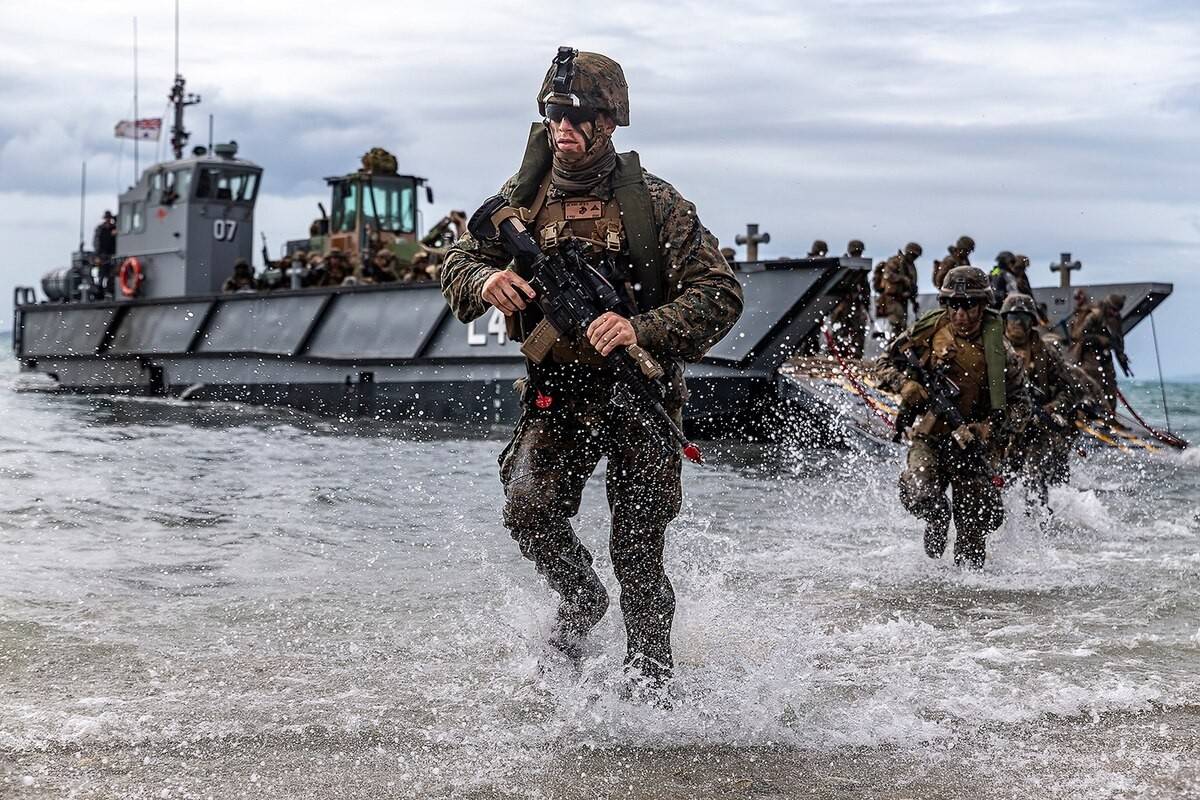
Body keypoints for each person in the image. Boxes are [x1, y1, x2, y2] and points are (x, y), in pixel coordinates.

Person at [440, 47, 744, 693]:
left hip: (640, 395)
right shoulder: (521, 203)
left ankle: (651, 690)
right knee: (527, 509)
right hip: (560, 393)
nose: (564, 129)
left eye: (579, 117)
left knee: (637, 558)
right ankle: (580, 601)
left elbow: (721, 293)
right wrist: (487, 278)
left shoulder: (657, 205)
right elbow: (456, 266)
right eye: (554, 116)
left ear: (610, 124)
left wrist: (642, 327)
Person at [888, 266, 1030, 569]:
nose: (960, 314)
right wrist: (905, 385)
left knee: (975, 530)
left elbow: (1022, 404)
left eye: (968, 305)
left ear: (982, 305)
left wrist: (989, 428)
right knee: (920, 492)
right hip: (931, 435)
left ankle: (969, 605)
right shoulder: (925, 332)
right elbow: (885, 364)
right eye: (954, 304)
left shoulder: (1001, 352)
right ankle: (937, 517)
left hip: (972, 446)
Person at [1000, 293, 1078, 505]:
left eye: (1022, 318)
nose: (1016, 323)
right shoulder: (994, 350)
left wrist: (1051, 408)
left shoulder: (1046, 353)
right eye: (1012, 318)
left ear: (1031, 322)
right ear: (1004, 320)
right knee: (999, 483)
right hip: (1002, 427)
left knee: (1034, 481)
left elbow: (1070, 391)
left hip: (1036, 427)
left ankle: (1040, 526)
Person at [1067, 292, 1130, 415]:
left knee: (1110, 382)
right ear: (1107, 306)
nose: (1115, 313)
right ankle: (1090, 412)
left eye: (1117, 311)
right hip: (1088, 352)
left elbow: (1118, 339)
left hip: (1104, 354)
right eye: (1113, 310)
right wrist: (1099, 339)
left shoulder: (1116, 319)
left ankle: (1109, 413)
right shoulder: (1095, 316)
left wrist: (1121, 355)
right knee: (1093, 379)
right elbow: (1078, 335)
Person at [827, 240, 870, 358]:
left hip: (854, 303)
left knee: (858, 329)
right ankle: (836, 354)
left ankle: (855, 355)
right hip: (841, 303)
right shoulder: (842, 266)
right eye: (857, 251)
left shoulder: (861, 268)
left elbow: (865, 288)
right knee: (839, 329)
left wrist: (866, 304)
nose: (858, 254)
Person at [872, 242, 922, 343]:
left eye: (915, 256)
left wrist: (913, 301)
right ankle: (891, 348)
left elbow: (911, 286)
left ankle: (897, 349)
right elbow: (887, 275)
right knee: (896, 324)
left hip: (903, 300)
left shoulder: (911, 267)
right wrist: (902, 279)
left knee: (902, 327)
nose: (913, 257)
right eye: (912, 255)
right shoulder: (896, 261)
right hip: (892, 299)